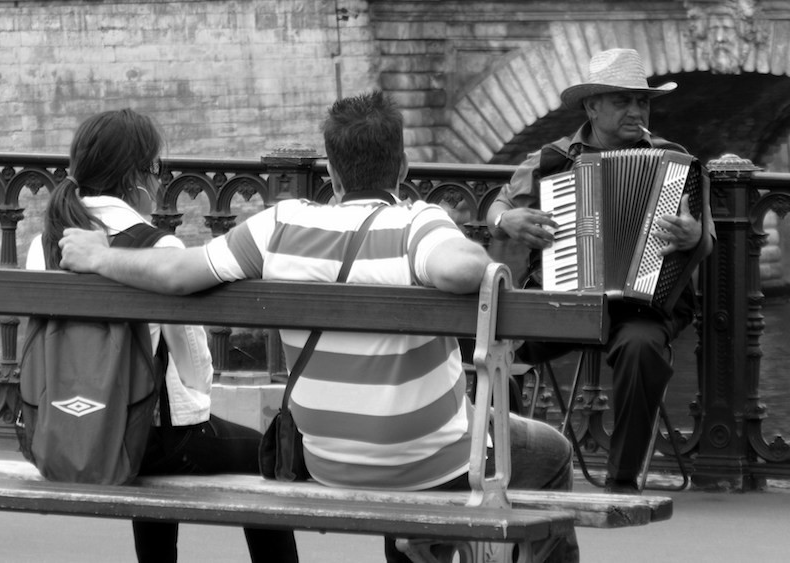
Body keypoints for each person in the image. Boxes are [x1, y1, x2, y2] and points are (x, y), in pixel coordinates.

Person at [57, 92, 579, 562]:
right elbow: (464, 270)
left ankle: (423, 543)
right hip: (431, 465)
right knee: (550, 452)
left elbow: (174, 274)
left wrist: (101, 257)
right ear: (401, 166)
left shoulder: (280, 224)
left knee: (410, 445)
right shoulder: (419, 222)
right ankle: (428, 542)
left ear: (330, 169)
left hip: (324, 459)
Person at [26, 109, 298, 563]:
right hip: (143, 440)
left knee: (144, 423)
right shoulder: (160, 248)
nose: (159, 183)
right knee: (261, 454)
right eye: (156, 171)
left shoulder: (47, 241)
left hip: (63, 430)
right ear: (135, 178)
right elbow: (194, 373)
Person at [486, 48, 714, 494]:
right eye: (622, 101)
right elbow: (499, 204)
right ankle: (507, 464)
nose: (636, 111)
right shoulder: (552, 160)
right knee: (492, 343)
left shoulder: (675, 161)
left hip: (645, 305)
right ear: (592, 107)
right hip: (564, 298)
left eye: (642, 102)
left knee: (642, 349)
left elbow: (706, 241)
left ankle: (622, 482)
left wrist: (692, 238)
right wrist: (505, 221)